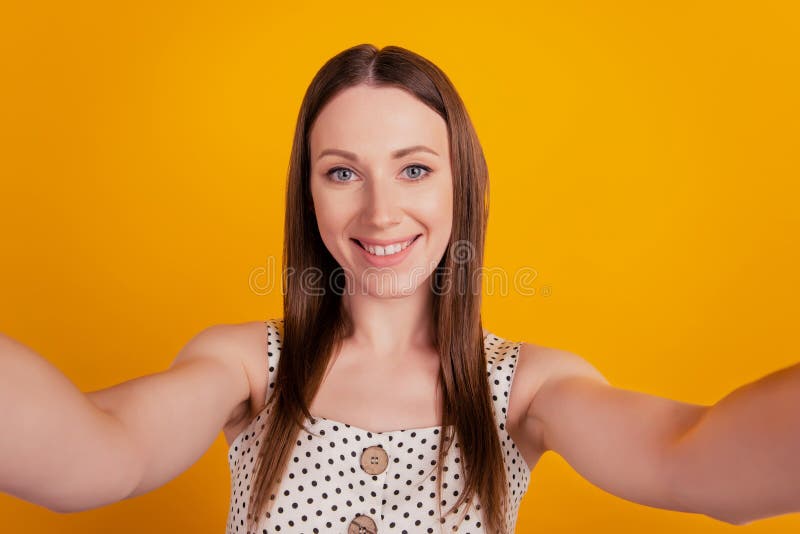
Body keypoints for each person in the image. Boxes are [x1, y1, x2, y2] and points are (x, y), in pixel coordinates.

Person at [1, 43, 798, 534]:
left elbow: (693, 467)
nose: (381, 211)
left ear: (463, 186)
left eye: (414, 169)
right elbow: (98, 459)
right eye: (342, 172)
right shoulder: (247, 367)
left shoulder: (527, 389)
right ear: (308, 196)